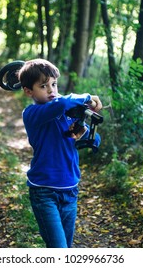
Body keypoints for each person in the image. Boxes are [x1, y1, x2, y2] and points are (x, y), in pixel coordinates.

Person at [17, 59, 102, 248]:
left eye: (54, 84)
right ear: (28, 91)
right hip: (44, 191)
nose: (51, 90)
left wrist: (82, 133)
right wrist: (88, 97)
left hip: (70, 190)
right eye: (43, 86)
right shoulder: (31, 114)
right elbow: (61, 103)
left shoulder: (67, 113)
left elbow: (96, 141)